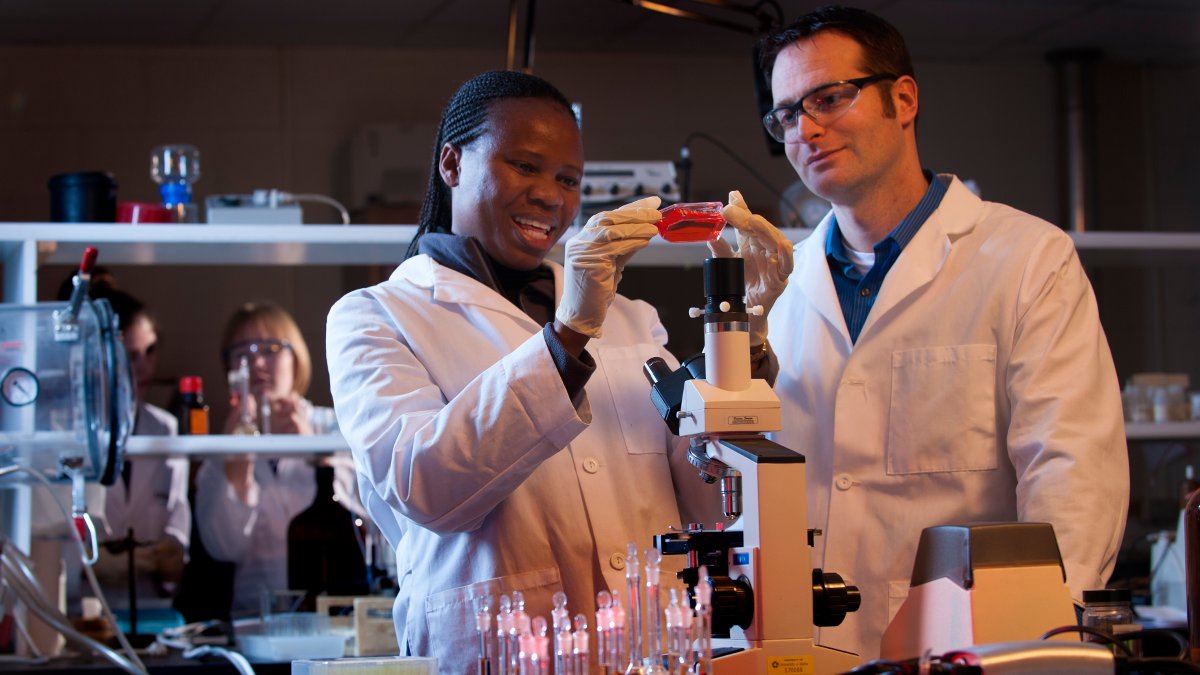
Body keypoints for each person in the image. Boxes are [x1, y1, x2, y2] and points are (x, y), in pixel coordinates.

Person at [712, 5, 1130, 659]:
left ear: (902, 99)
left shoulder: (1024, 258)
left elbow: (1073, 474)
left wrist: (1038, 645)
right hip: (807, 649)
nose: (807, 129)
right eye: (787, 114)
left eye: (829, 97)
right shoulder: (781, 289)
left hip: (969, 648)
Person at [325, 70, 719, 670]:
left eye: (568, 179)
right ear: (452, 164)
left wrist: (741, 362)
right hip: (499, 650)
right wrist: (567, 337)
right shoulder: (375, 317)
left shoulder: (632, 318)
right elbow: (425, 485)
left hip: (647, 645)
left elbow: (709, 507)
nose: (551, 196)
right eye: (525, 166)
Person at [193, 302, 361, 616]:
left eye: (270, 349)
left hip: (333, 616)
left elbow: (365, 525)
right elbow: (224, 548)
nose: (256, 362)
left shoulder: (335, 427)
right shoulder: (222, 448)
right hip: (253, 619)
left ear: (296, 358)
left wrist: (315, 454)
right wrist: (237, 463)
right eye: (242, 353)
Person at [85, 284, 191, 613]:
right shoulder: (73, 433)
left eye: (150, 351)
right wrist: (91, 564)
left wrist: (171, 555)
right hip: (84, 609)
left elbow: (177, 526)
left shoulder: (166, 429)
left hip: (152, 611)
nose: (144, 367)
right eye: (131, 356)